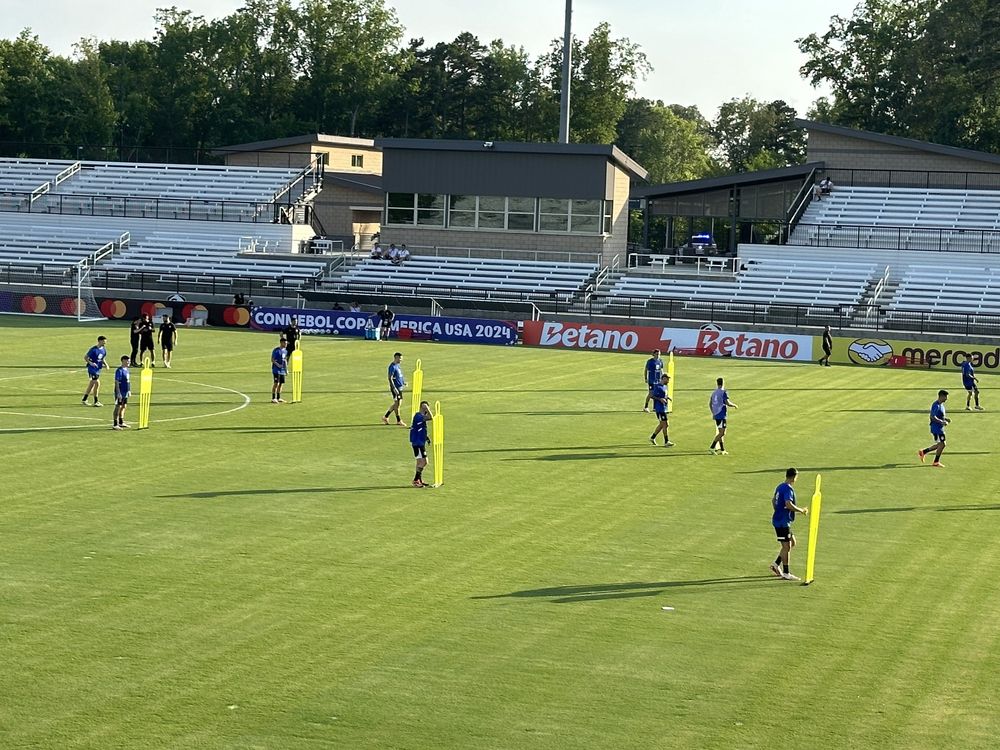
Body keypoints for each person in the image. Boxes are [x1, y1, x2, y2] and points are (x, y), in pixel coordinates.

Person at [770, 468, 809, 581]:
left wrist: (779, 510)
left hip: (781, 520)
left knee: (792, 543)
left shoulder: (780, 486)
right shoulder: (788, 489)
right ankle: (786, 572)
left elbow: (773, 501)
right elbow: (788, 503)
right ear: (794, 477)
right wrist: (801, 510)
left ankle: (776, 564)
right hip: (782, 522)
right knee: (786, 547)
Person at [918, 389, 951, 467]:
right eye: (945, 397)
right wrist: (941, 422)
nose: (946, 398)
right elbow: (932, 417)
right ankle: (936, 462)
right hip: (937, 428)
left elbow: (939, 415)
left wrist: (945, 419)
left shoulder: (941, 405)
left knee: (940, 444)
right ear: (941, 396)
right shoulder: (936, 405)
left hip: (939, 428)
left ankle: (923, 452)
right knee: (942, 444)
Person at [709, 377, 738, 455]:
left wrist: (713, 412)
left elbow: (710, 404)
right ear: (723, 383)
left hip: (716, 415)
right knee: (722, 433)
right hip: (721, 415)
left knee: (720, 432)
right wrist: (734, 405)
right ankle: (712, 447)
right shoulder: (723, 392)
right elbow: (727, 403)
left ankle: (722, 449)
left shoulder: (714, 392)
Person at [410, 400, 434, 487]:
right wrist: (427, 409)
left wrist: (426, 437)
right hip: (418, 443)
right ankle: (416, 480)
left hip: (418, 441)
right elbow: (431, 417)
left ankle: (418, 480)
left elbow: (420, 428)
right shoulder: (418, 416)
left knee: (419, 461)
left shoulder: (419, 416)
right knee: (424, 462)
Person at [82, 335, 109, 406]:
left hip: (98, 369)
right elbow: (85, 357)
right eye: (103, 341)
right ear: (99, 341)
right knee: (97, 383)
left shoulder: (103, 350)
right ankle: (96, 401)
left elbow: (102, 358)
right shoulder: (93, 349)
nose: (105, 343)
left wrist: (106, 364)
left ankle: (84, 399)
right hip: (92, 369)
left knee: (92, 384)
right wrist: (91, 363)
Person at [648, 374, 673, 446]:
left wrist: (667, 398)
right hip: (659, 409)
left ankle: (652, 437)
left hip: (663, 408)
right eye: (667, 379)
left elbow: (663, 395)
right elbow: (652, 396)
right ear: (663, 378)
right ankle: (666, 441)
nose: (668, 381)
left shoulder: (664, 387)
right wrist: (660, 399)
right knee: (665, 424)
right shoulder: (657, 387)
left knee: (663, 425)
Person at [382, 352, 405, 426]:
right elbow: (390, 378)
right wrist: (394, 388)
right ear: (396, 357)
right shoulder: (392, 367)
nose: (401, 360)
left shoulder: (397, 365)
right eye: (400, 359)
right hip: (396, 388)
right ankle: (399, 420)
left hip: (399, 387)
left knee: (397, 403)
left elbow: (399, 375)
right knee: (397, 404)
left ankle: (385, 417)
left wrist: (403, 382)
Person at [112, 356, 131, 430]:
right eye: (127, 361)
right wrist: (118, 393)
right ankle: (115, 424)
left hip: (125, 391)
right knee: (118, 406)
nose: (128, 363)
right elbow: (117, 382)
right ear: (123, 361)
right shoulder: (119, 371)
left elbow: (128, 381)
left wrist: (129, 390)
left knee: (124, 406)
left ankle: (121, 422)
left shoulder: (127, 370)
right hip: (120, 391)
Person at [271, 336, 288, 403]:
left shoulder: (285, 351)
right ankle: (273, 398)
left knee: (281, 384)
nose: (286, 344)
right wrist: (278, 365)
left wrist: (286, 369)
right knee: (276, 383)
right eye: (285, 343)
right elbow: (272, 359)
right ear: (281, 343)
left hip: (282, 370)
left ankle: (278, 397)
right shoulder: (276, 350)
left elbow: (285, 360)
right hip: (276, 370)